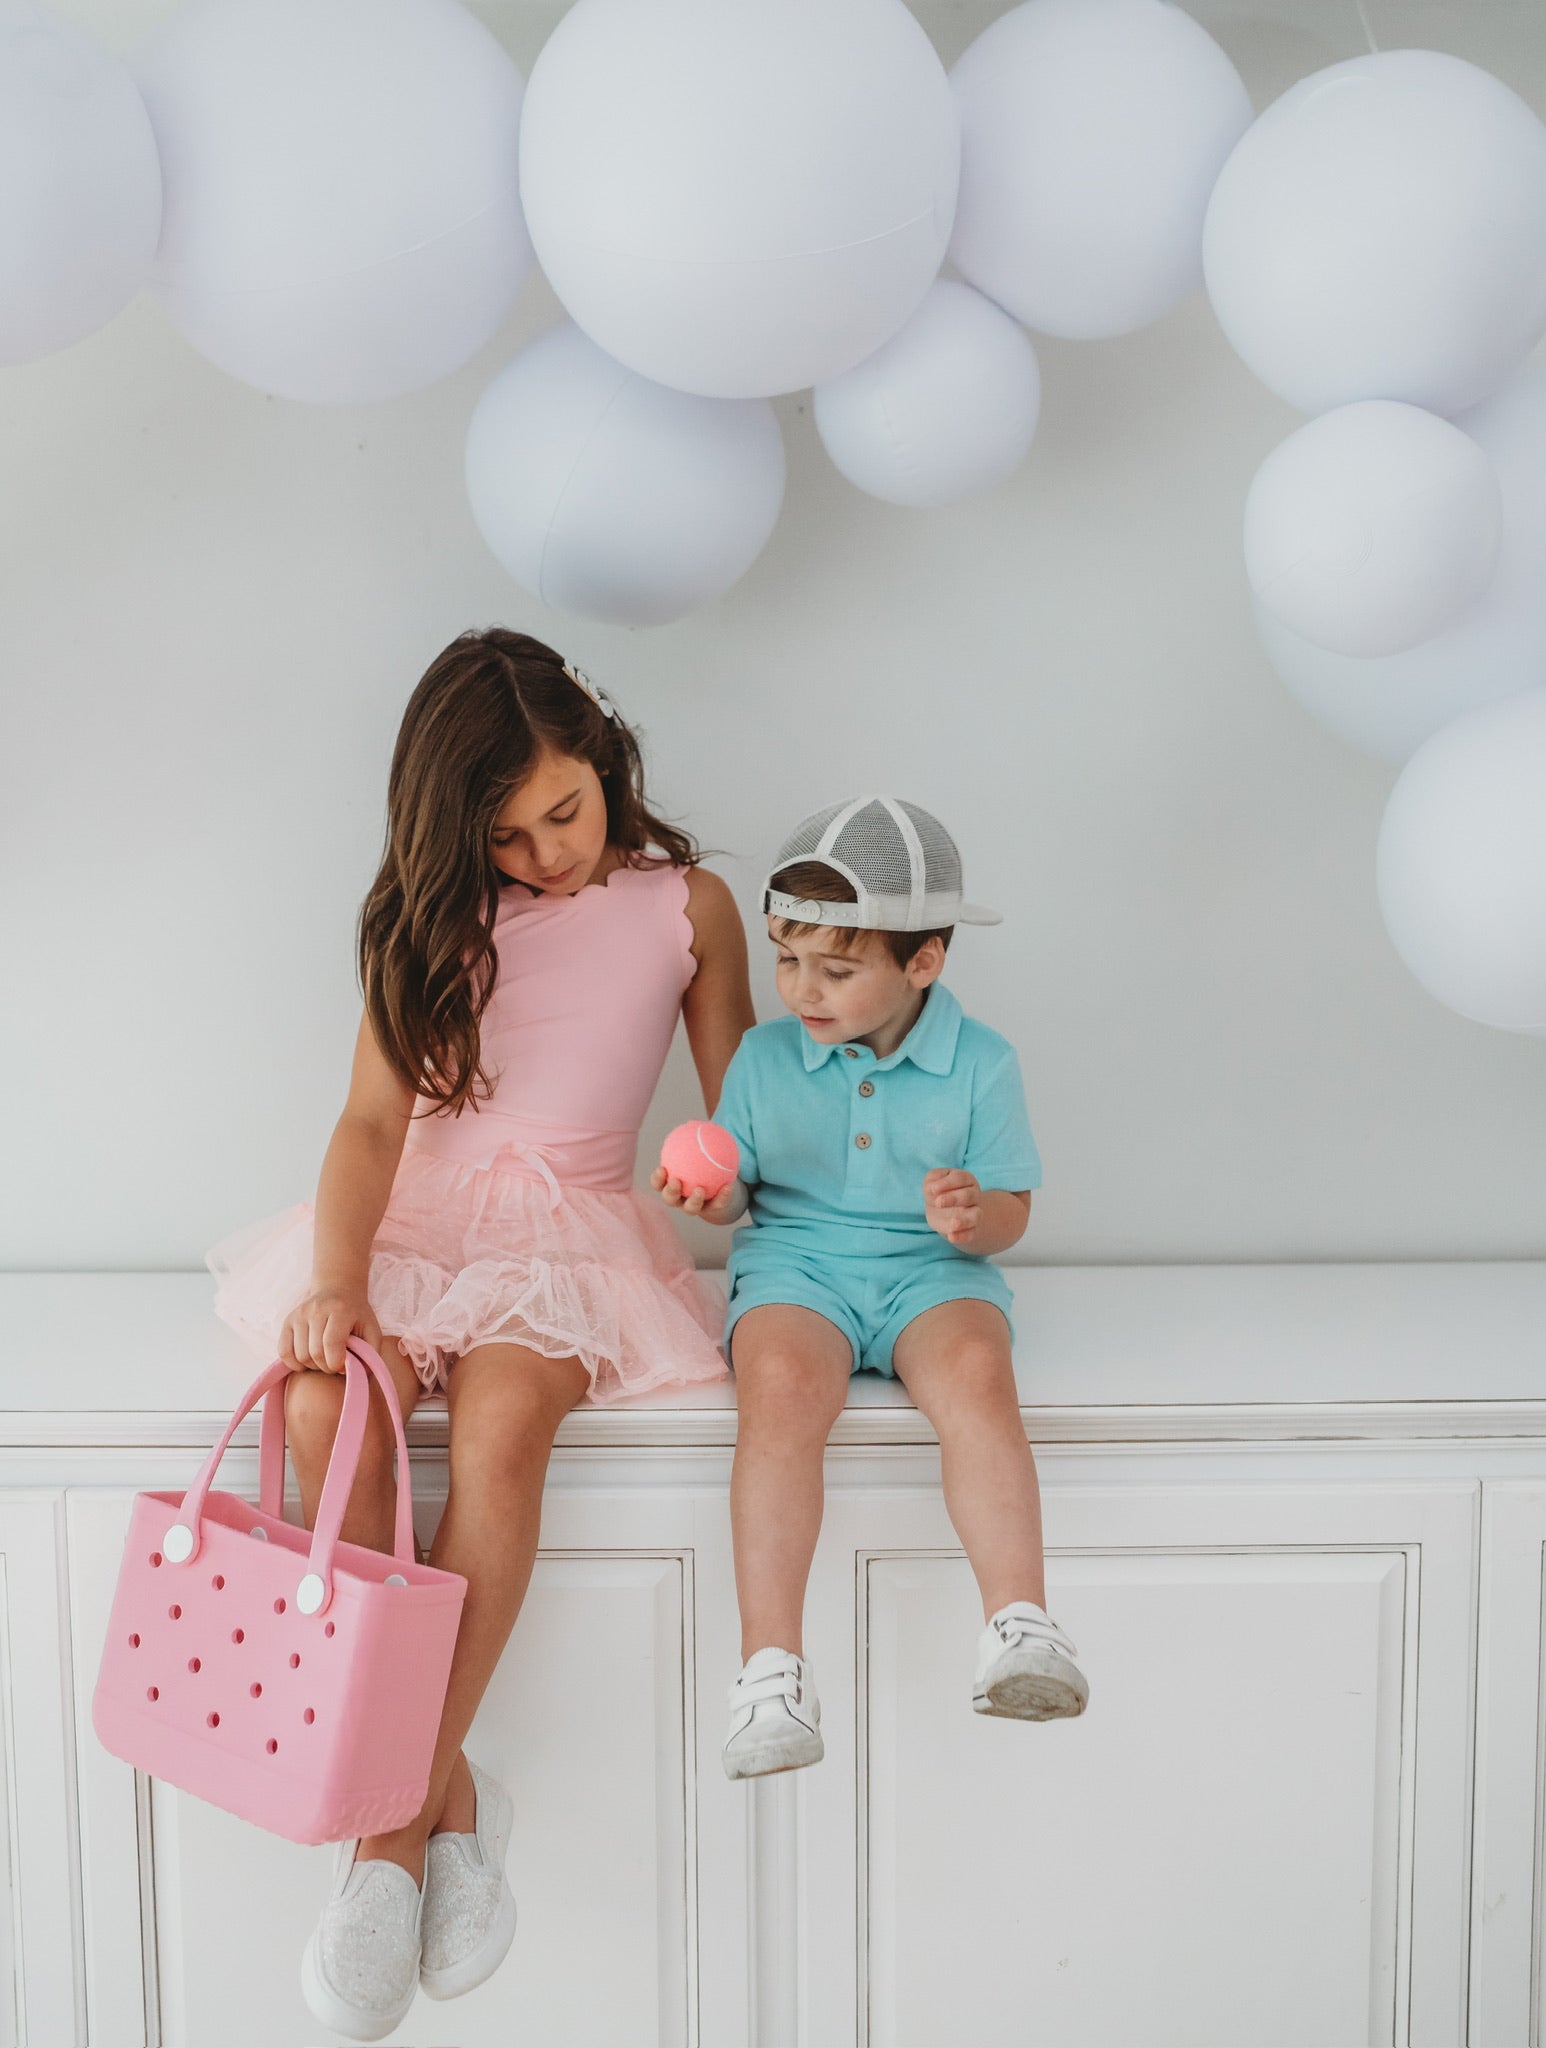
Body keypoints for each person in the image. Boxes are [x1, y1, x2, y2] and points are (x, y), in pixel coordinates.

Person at [208, 628, 753, 2039]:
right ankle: (450, 1801)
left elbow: (746, 1112)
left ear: (604, 755)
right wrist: (339, 1279)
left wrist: (725, 1174)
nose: (543, 855)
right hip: (412, 1221)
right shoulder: (438, 916)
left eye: (561, 811)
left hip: (569, 1237)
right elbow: (369, 1123)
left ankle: (385, 1839)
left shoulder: (687, 904)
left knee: (506, 1424)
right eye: (505, 837)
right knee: (325, 1411)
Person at [656, 795, 1088, 1780]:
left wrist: (976, 1215)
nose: (800, 988)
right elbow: (739, 1194)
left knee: (977, 1374)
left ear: (922, 962)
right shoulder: (765, 1057)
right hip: (797, 1265)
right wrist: (712, 1196)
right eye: (787, 958)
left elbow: (1013, 1210)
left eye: (836, 969)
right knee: (777, 1391)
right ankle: (770, 1669)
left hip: (931, 1270)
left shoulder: (982, 1064)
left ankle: (1019, 1623)